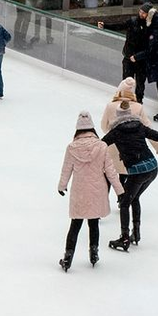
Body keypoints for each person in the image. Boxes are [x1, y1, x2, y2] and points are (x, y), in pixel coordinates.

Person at [101, 94, 158, 251]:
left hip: (137, 171)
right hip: (152, 168)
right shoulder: (139, 126)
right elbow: (156, 135)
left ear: (118, 116)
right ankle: (136, 234)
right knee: (134, 197)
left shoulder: (116, 131)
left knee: (125, 202)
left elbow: (101, 145)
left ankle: (125, 238)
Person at [57, 111, 124, 270]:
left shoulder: (72, 147)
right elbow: (110, 171)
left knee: (75, 224)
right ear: (92, 129)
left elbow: (66, 169)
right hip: (97, 190)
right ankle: (94, 253)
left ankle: (68, 257)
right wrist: (119, 190)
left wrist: (62, 186)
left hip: (80, 191)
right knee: (94, 223)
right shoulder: (102, 146)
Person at [119, 12, 148, 102]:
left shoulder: (150, 26)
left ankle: (138, 101)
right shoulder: (132, 21)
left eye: (144, 13)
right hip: (129, 57)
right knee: (127, 81)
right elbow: (120, 26)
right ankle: (125, 100)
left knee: (140, 83)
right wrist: (106, 25)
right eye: (141, 12)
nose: (141, 14)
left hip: (141, 60)